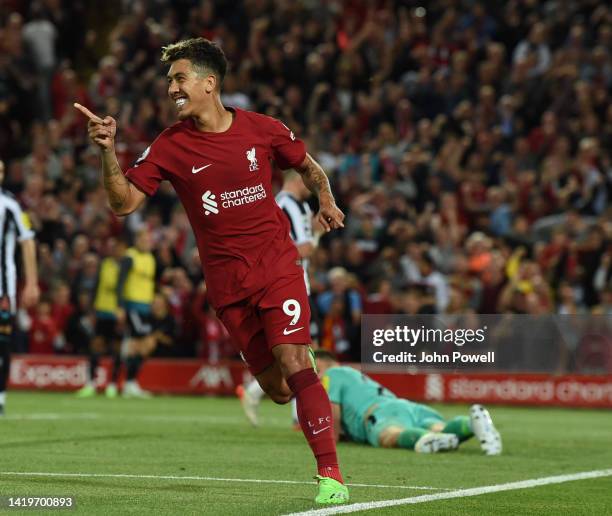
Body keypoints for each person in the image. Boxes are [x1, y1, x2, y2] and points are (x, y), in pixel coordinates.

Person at [74, 37, 348, 504]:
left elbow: (307, 166)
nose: (171, 90)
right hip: (228, 286)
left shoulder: (262, 129)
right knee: (279, 390)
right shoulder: (170, 145)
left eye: (178, 79)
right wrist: (107, 152)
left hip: (277, 265)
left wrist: (326, 198)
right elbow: (123, 205)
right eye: (169, 82)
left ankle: (331, 478)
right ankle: (300, 369)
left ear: (209, 83)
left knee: (294, 360)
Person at [237, 170, 321, 427]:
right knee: (301, 351)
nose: (311, 182)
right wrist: (317, 236)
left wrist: (317, 229)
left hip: (295, 284)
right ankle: (299, 415)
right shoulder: (287, 205)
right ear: (297, 178)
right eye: (306, 177)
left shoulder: (299, 207)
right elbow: (301, 248)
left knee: (300, 351)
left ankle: (254, 393)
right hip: (288, 286)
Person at [314, 350, 502, 455]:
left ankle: (425, 439)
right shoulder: (354, 375)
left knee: (389, 435)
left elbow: (333, 406)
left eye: (316, 368)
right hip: (405, 406)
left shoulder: (331, 374)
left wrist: (332, 437)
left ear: (322, 362)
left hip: (379, 413)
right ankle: (471, 424)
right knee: (441, 429)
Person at [0, 159, 40, 415]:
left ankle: (0, 396)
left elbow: (27, 242)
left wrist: (32, 283)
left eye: (2, 170)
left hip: (2, 289)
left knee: (2, 345)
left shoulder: (10, 204)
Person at [75, 237, 126, 398]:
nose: (116, 251)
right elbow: (97, 286)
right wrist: (91, 310)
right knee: (95, 349)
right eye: (114, 248)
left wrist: (123, 310)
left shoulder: (126, 267)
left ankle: (112, 385)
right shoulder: (105, 264)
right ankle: (91, 384)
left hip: (118, 314)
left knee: (115, 351)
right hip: (102, 311)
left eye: (119, 248)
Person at [117, 229, 156, 398]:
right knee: (141, 344)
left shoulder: (151, 259)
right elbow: (120, 282)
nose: (147, 242)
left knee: (144, 345)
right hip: (133, 306)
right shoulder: (129, 256)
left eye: (148, 239)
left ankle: (130, 382)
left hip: (146, 307)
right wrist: (120, 306)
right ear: (137, 240)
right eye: (144, 239)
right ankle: (129, 383)